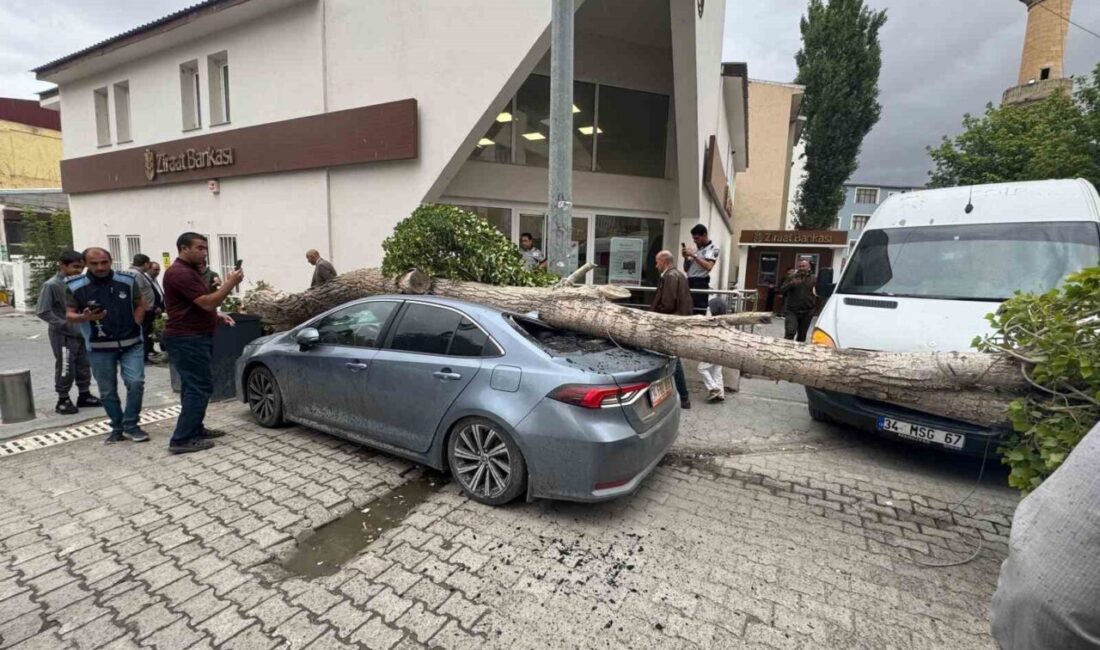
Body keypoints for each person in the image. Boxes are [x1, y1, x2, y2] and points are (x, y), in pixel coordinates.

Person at [162, 232, 243, 454]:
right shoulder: (180, 273)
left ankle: (195, 429)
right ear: (183, 248)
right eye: (199, 248)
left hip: (194, 336)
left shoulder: (189, 272)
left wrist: (217, 317)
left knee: (193, 386)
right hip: (187, 339)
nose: (204, 252)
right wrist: (230, 284)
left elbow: (192, 306)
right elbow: (207, 303)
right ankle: (181, 439)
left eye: (205, 248)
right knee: (199, 387)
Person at [65, 247, 149, 443]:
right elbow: (69, 314)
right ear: (85, 264)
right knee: (107, 390)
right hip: (99, 346)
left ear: (111, 261)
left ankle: (132, 424)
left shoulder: (127, 281)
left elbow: (140, 303)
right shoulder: (75, 285)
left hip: (131, 342)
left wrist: (136, 322)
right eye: (94, 264)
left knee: (136, 383)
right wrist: (84, 317)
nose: (100, 267)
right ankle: (117, 427)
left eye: (104, 262)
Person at [35, 250, 100, 415]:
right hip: (63, 334)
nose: (79, 271)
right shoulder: (52, 285)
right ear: (62, 265)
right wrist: (64, 324)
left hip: (82, 332)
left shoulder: (80, 283)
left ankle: (84, 394)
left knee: (84, 364)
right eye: (75, 267)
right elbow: (43, 311)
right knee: (66, 366)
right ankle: (63, 399)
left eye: (81, 267)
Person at [650, 250, 693, 409]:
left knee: (674, 360)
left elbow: (667, 304)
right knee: (673, 359)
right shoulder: (680, 275)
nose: (656, 265)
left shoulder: (669, 277)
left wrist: (654, 318)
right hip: (677, 322)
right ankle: (682, 397)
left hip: (668, 324)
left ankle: (683, 397)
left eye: (657, 262)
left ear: (664, 261)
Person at [681, 224, 719, 314]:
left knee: (698, 311)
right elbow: (686, 269)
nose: (695, 241)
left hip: (700, 282)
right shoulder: (695, 249)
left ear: (705, 235)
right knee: (686, 309)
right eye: (694, 238)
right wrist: (686, 257)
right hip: (689, 281)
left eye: (697, 238)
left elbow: (709, 266)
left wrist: (694, 255)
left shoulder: (713, 248)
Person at [698, 295, 728, 402]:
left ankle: (713, 388)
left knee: (701, 368)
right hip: (722, 351)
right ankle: (721, 394)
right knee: (717, 372)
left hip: (713, 350)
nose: (709, 309)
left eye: (710, 308)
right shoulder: (724, 321)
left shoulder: (713, 322)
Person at [780, 259, 817, 342]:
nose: (801, 268)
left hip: (807, 312)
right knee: (790, 332)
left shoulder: (814, 279)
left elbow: (819, 294)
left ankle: (798, 353)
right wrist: (791, 284)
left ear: (809, 267)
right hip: (792, 311)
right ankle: (786, 351)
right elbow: (782, 290)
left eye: (804, 266)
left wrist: (814, 308)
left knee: (802, 336)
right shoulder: (791, 277)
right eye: (800, 266)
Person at [144, 260, 167, 363]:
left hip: (159, 310)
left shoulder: (154, 280)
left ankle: (151, 349)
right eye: (155, 270)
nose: (157, 272)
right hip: (151, 310)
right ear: (149, 269)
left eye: (159, 270)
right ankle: (146, 352)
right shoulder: (145, 280)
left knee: (155, 331)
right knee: (148, 331)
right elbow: (146, 296)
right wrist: (154, 307)